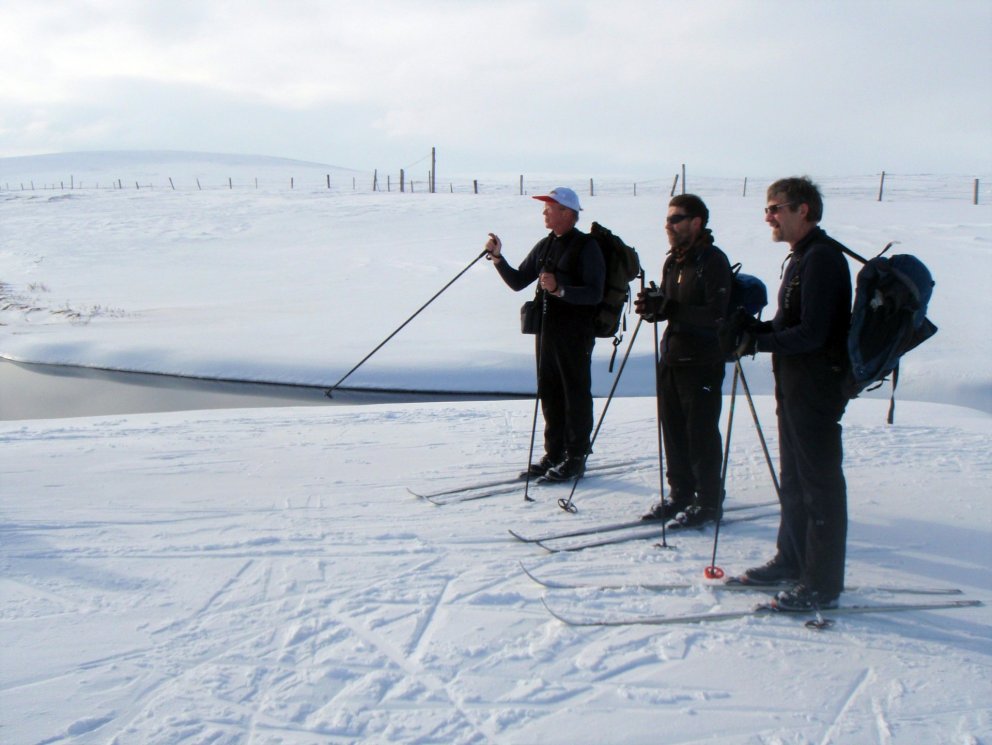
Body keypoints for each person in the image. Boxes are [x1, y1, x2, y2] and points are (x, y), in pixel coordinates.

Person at [721, 176, 852, 612]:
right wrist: (753, 329)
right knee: (794, 481)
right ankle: (792, 559)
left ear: (803, 210)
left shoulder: (823, 260)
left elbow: (814, 333)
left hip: (816, 387)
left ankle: (822, 582)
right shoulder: (802, 257)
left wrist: (758, 342)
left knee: (820, 486)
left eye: (775, 208)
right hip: (796, 385)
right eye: (767, 209)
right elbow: (788, 323)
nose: (768, 217)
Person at [485, 187, 605, 482]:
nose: (544, 212)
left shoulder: (586, 247)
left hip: (575, 333)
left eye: (549, 207)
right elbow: (518, 281)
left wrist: (559, 289)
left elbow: (595, 293)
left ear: (567, 212)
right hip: (548, 331)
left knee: (574, 392)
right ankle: (554, 453)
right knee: (550, 391)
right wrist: (498, 258)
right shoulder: (546, 244)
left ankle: (576, 457)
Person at [635, 194, 733, 527]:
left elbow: (717, 316)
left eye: (676, 219)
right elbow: (670, 309)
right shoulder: (673, 262)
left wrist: (671, 308)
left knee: (701, 433)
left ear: (696, 222)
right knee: (673, 429)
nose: (669, 225)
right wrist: (653, 309)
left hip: (703, 360)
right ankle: (681, 494)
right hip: (673, 357)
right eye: (668, 219)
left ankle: (708, 501)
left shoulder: (713, 261)